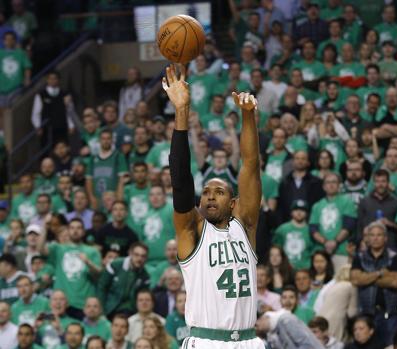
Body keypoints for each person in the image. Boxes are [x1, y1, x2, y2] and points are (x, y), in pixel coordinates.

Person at [163, 64, 264, 348]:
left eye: (218, 192)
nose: (208, 196)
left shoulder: (246, 225)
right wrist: (181, 112)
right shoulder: (192, 231)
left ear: (233, 204)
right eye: (206, 191)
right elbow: (181, 180)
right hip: (207, 341)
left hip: (248, 341)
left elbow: (251, 166)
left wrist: (247, 115)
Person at [350, 222, 397, 346]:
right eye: (372, 235)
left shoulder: (395, 257)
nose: (375, 238)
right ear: (367, 238)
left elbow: (395, 282)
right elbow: (355, 280)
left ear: (385, 238)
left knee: (391, 346)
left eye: (379, 235)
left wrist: (366, 276)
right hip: (366, 314)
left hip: (390, 314)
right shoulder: (359, 257)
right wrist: (380, 273)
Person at [40, 217, 102, 318]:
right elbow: (40, 250)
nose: (75, 231)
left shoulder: (92, 251)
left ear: (83, 231)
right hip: (62, 304)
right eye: (72, 228)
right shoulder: (58, 248)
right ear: (68, 230)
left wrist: (88, 262)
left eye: (78, 228)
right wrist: (44, 228)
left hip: (83, 303)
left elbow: (99, 274)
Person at [310, 173, 357, 270]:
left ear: (339, 185)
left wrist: (335, 242)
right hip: (321, 253)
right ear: (323, 187)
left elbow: (348, 226)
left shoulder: (347, 201)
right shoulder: (317, 206)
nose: (331, 185)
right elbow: (313, 229)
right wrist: (325, 242)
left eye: (334, 182)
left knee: (341, 282)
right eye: (328, 182)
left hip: (341, 251)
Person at [97, 242, 150, 316]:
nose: (139, 259)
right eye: (136, 255)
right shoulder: (115, 265)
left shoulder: (145, 276)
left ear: (146, 258)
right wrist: (101, 309)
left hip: (130, 310)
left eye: (143, 256)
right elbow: (102, 287)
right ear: (130, 254)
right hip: (110, 307)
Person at [314, 264, 357, 341]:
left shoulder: (331, 287)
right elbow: (352, 313)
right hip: (336, 320)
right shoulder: (351, 286)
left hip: (321, 319)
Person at [256, 308, 325, 349]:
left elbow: (307, 344)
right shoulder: (272, 333)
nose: (257, 328)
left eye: (256, 325)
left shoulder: (286, 320)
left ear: (263, 317)